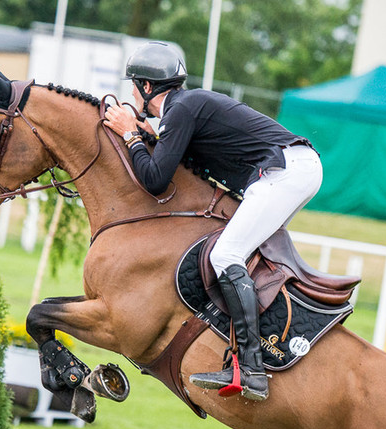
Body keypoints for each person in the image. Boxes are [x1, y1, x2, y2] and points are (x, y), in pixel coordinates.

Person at [104, 42, 323, 402]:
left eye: (134, 85)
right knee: (240, 255)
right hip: (294, 168)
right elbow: (171, 157)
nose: (131, 92)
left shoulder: (181, 109)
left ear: (146, 88)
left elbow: (156, 179)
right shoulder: (182, 110)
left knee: (226, 255)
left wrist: (130, 135)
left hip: (287, 170)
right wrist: (144, 135)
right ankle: (252, 351)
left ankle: (252, 369)